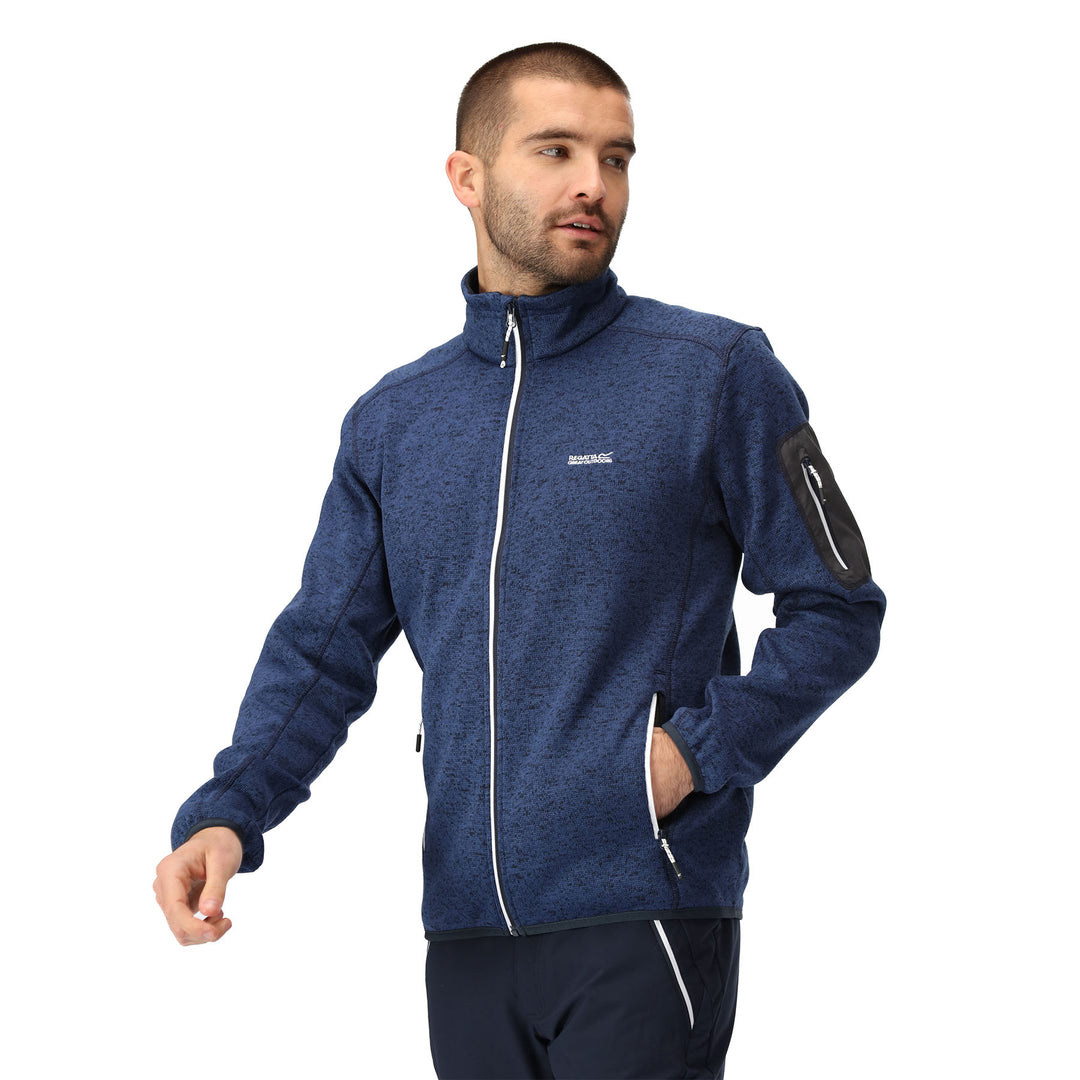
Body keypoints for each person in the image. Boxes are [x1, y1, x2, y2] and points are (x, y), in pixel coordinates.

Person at [153, 42, 885, 1078]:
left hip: (643, 910)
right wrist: (230, 813)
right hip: (464, 934)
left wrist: (690, 757)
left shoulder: (715, 373)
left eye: (616, 158)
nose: (595, 183)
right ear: (468, 177)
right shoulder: (396, 422)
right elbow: (322, 651)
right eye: (556, 151)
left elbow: (837, 609)